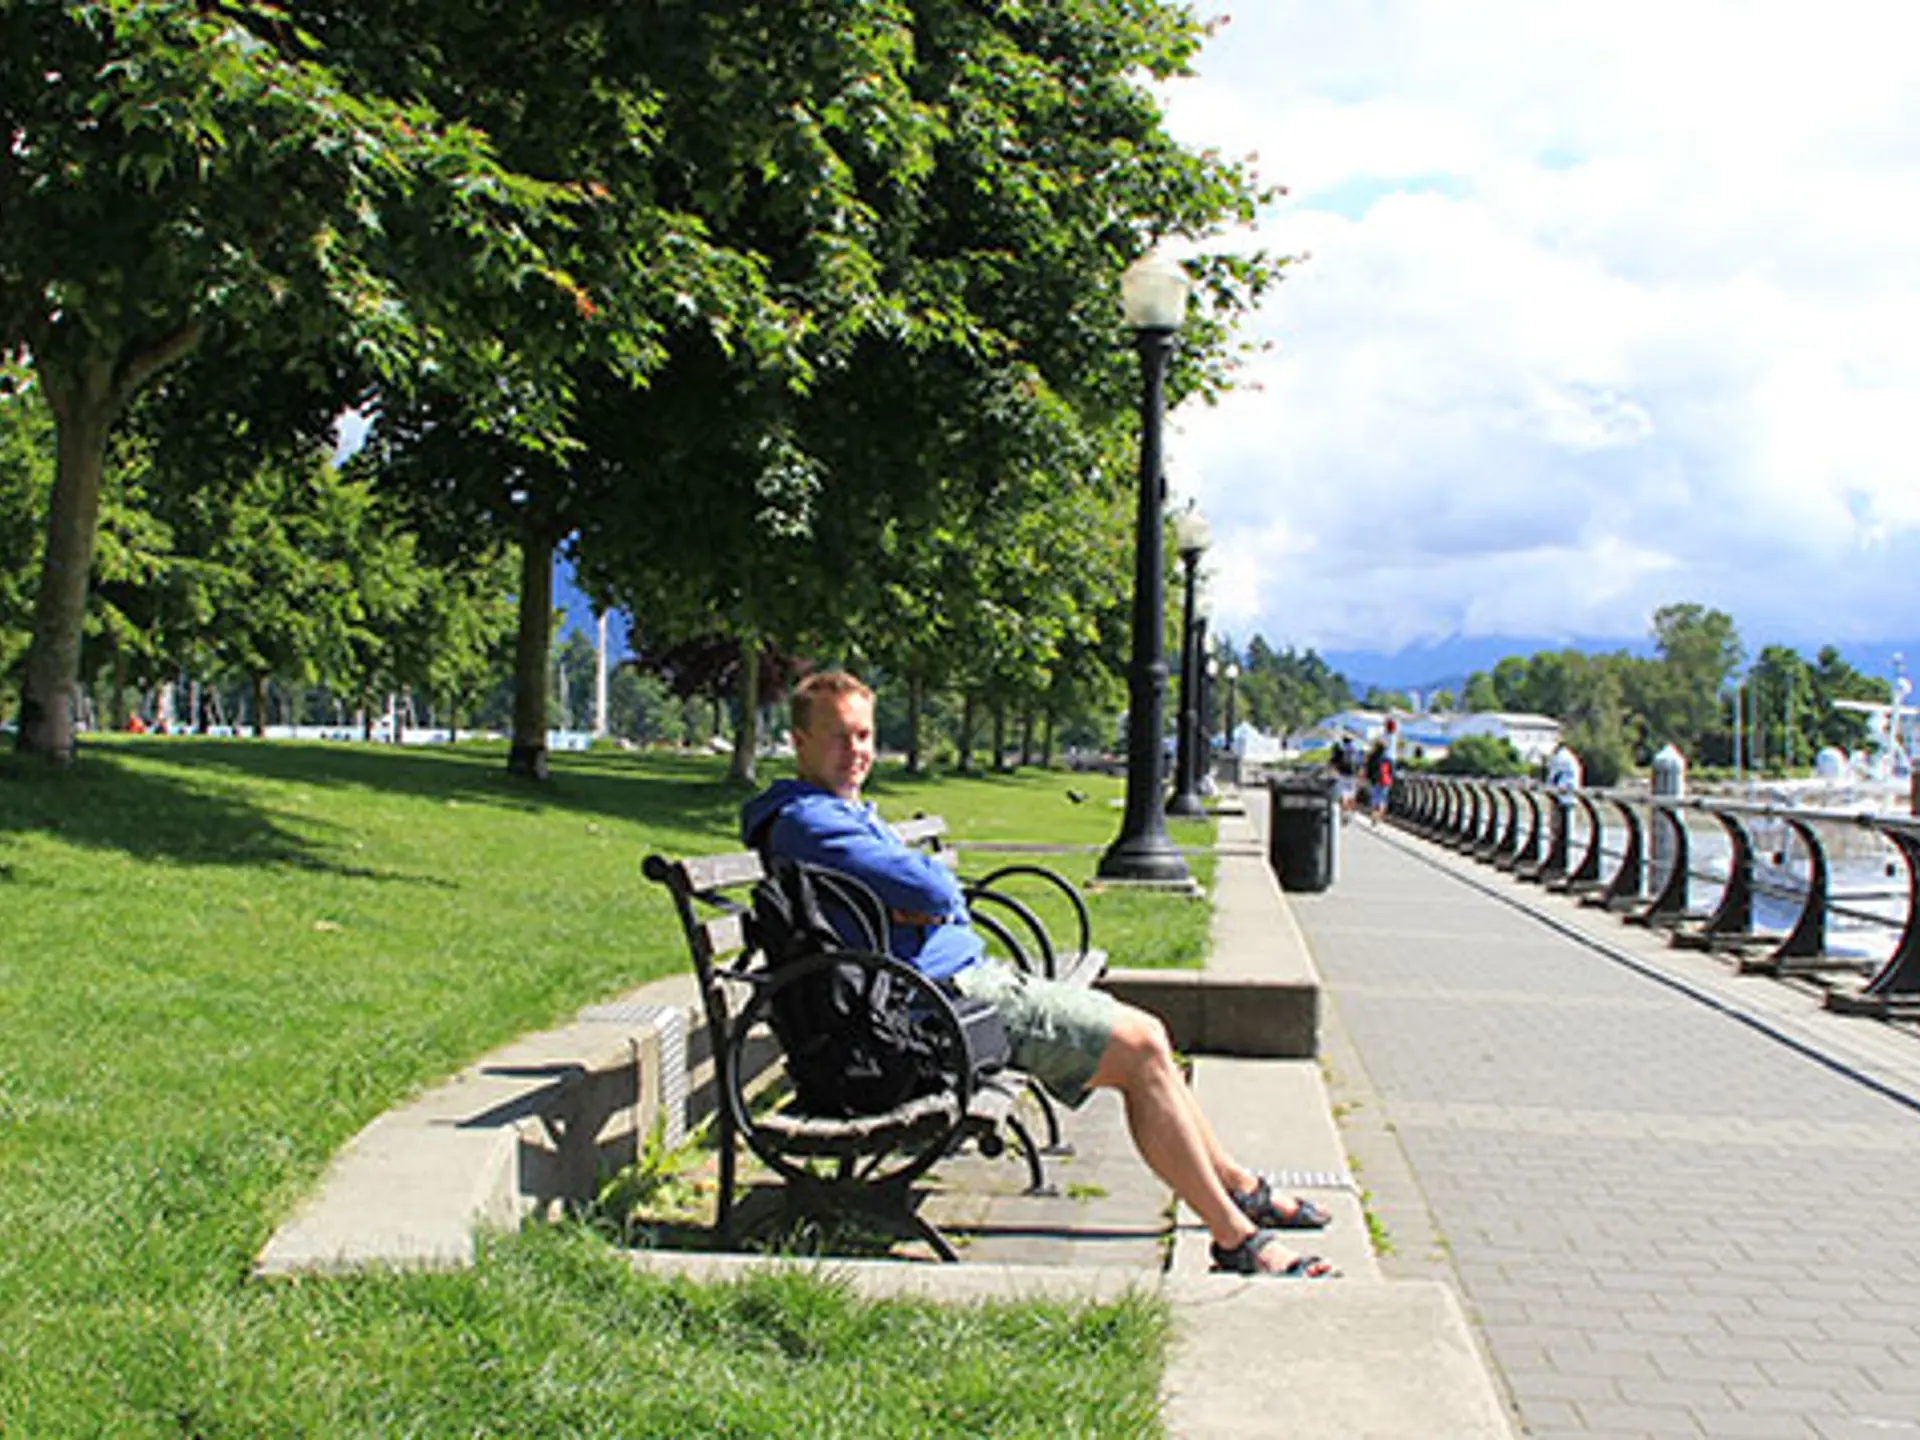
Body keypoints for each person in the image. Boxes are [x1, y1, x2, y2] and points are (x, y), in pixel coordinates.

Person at [741, 671, 1336, 1278]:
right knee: (1142, 1051)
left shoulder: (838, 812)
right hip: (936, 1010)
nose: (857, 751)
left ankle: (1238, 1186)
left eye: (864, 735)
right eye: (839, 737)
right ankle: (1235, 1237)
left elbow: (929, 897)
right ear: (799, 742)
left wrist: (922, 899)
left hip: (952, 987)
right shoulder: (811, 822)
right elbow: (934, 888)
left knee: (1150, 1038)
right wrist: (922, 898)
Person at [1329, 733, 1361, 820]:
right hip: (1353, 775)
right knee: (1352, 794)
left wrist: (1334, 771)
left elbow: (1332, 762)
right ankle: (1350, 812)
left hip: (1342, 774)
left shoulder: (1340, 749)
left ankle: (1344, 813)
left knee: (1343, 794)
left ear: (1343, 740)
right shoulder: (1356, 750)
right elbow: (1360, 764)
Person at [1363, 740, 1392, 825]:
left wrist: (1367, 778)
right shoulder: (1388, 758)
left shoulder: (1372, 756)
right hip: (1385, 781)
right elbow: (1391, 771)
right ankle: (1379, 816)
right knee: (1382, 799)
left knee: (1375, 799)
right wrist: (1390, 780)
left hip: (1374, 781)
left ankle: (1374, 816)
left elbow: (1368, 769)